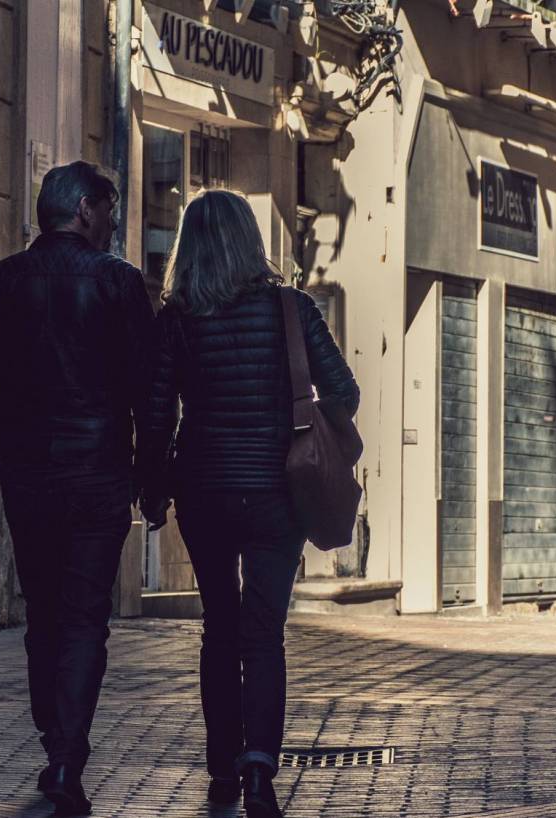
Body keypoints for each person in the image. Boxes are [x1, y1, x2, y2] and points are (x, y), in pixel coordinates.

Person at [137, 189, 359, 818]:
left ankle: (220, 768)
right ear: (251, 240)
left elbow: (156, 415)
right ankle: (259, 770)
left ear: (193, 246)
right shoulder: (291, 307)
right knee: (263, 633)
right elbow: (344, 390)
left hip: (203, 490)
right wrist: (296, 414)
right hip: (275, 491)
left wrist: (150, 486)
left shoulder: (177, 317)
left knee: (220, 630)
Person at [0, 161, 154, 817]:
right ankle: (68, 755)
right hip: (98, 469)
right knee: (84, 617)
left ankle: (55, 740)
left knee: (43, 610)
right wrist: (152, 472)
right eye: (110, 208)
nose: (115, 221)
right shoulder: (121, 284)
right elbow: (151, 393)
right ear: (84, 210)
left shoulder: (3, 282)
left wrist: (8, 437)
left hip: (30, 472)